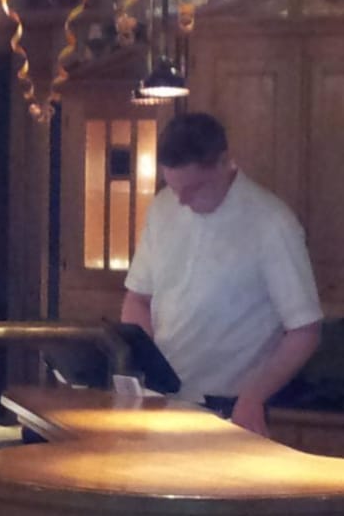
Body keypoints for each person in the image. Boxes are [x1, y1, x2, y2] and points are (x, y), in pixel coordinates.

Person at [120, 112, 322, 436]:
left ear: (224, 163)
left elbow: (305, 331)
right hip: (162, 402)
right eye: (174, 187)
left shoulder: (272, 223)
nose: (182, 201)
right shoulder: (162, 207)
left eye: (194, 188)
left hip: (230, 409)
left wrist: (253, 397)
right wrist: (144, 368)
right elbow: (137, 300)